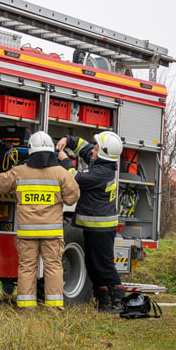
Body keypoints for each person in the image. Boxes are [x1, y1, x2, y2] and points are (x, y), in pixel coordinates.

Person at [0, 131, 79, 310]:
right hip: (52, 233)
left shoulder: (20, 172)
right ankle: (54, 309)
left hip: (28, 234)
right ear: (51, 151)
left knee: (27, 269)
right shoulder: (60, 173)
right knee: (54, 268)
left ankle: (26, 309)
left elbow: (0, 183)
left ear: (31, 151)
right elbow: (73, 197)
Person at [55, 130, 125, 313]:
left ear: (103, 153)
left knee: (104, 265)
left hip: (101, 229)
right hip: (93, 227)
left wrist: (64, 160)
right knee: (92, 266)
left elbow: (74, 177)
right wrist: (67, 139)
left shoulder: (101, 172)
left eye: (96, 148)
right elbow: (83, 146)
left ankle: (117, 300)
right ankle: (103, 302)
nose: (92, 150)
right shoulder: (101, 162)